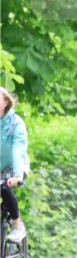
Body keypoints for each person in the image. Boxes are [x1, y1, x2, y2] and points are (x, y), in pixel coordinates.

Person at [0, 88, 29, 243]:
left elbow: (18, 150)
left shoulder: (15, 123)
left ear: (5, 102)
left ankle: (18, 225)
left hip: (15, 166)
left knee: (4, 188)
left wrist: (17, 175)